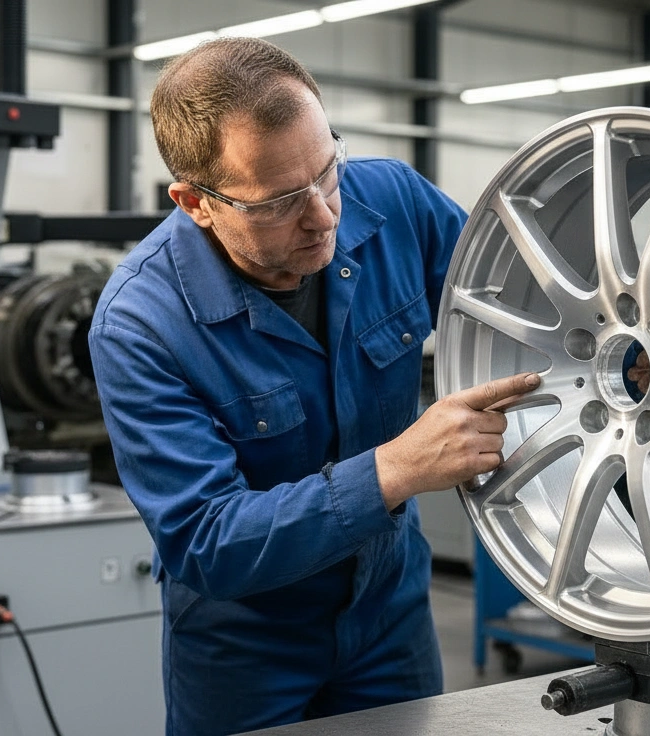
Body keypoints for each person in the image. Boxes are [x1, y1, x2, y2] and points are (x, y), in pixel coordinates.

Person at [88, 37, 540, 735]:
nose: (326, 216)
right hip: (245, 644)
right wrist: (395, 469)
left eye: (327, 172)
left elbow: (518, 312)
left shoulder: (393, 201)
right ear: (196, 202)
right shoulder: (142, 323)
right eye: (278, 203)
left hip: (390, 611)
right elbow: (205, 541)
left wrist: (603, 349)